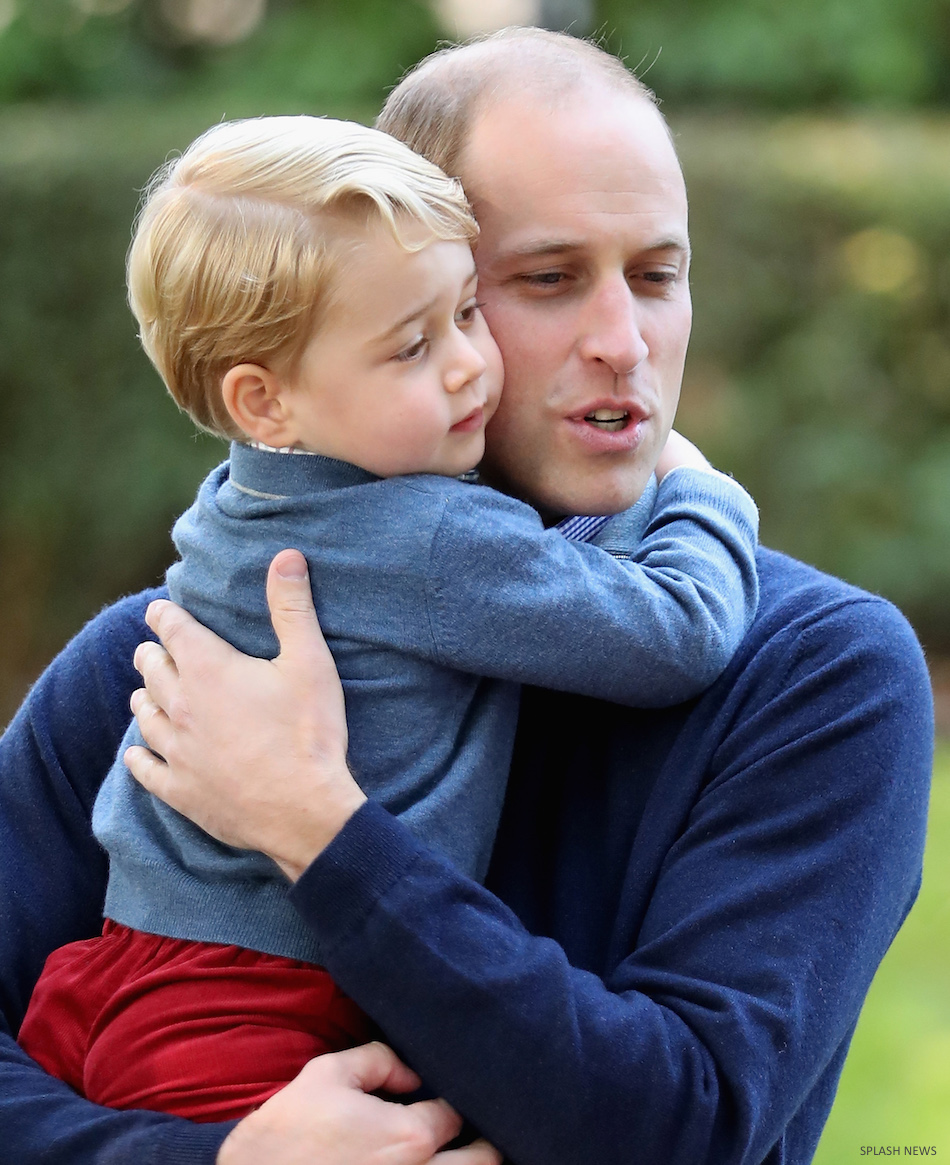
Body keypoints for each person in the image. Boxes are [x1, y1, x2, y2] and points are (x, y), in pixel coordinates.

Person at [0, 26, 933, 1165]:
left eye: (656, 275)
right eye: (545, 279)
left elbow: (682, 1126)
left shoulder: (816, 674)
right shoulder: (179, 668)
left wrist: (316, 829)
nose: (620, 340)